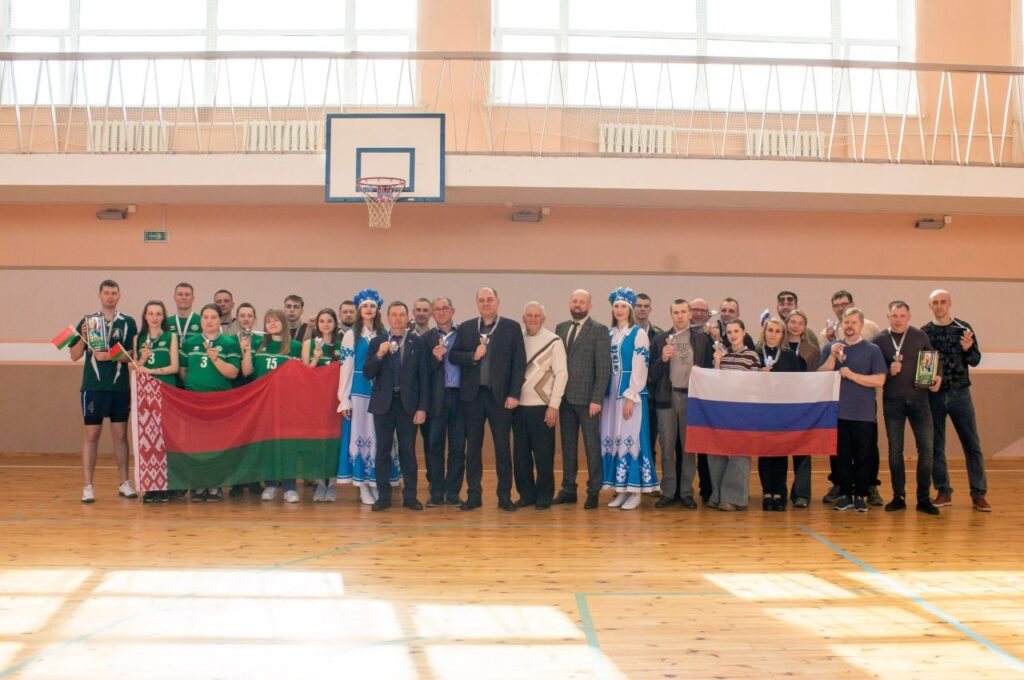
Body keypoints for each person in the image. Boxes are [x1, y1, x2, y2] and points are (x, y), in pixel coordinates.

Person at [449, 287, 527, 512]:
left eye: (489, 299)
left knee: (503, 448)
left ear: (497, 302)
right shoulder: (466, 328)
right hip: (472, 397)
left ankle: (505, 497)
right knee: (473, 448)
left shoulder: (511, 327)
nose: (486, 303)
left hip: (500, 398)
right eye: (481, 300)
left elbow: (519, 363)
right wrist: (472, 356)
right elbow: (454, 355)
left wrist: (514, 394)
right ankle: (474, 495)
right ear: (477, 303)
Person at [69, 279, 138, 504]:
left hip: (119, 388)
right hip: (93, 388)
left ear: (119, 296)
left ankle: (125, 482)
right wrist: (83, 337)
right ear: (100, 295)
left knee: (120, 436)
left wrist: (110, 355)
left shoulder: (128, 322)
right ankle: (88, 486)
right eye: (106, 293)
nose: (110, 296)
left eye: (113, 293)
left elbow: (133, 354)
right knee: (92, 435)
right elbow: (74, 355)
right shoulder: (88, 321)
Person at [922, 289, 990, 511]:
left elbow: (976, 360)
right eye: (935, 302)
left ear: (949, 303)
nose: (939, 306)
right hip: (934, 396)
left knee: (972, 445)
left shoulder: (963, 329)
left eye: (943, 302)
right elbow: (923, 365)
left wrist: (968, 349)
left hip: (960, 395)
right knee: (936, 446)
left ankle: (979, 494)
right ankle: (943, 492)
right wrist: (927, 382)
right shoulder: (924, 332)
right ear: (930, 305)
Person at [874, 301, 941, 515]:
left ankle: (923, 498)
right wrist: (888, 370)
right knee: (895, 451)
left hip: (920, 401)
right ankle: (898, 497)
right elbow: (873, 372)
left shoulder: (919, 336)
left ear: (909, 317)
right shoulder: (879, 340)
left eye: (902, 315)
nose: (898, 319)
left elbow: (933, 361)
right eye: (894, 315)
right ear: (888, 316)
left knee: (927, 449)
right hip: (893, 402)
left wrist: (937, 376)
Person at [818, 308, 886, 512]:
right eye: (846, 322)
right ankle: (846, 495)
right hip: (837, 413)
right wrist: (832, 357)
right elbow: (821, 375)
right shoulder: (830, 348)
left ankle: (860, 496)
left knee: (864, 456)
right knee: (841, 457)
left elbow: (879, 380)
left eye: (853, 322)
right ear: (841, 325)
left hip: (863, 413)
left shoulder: (872, 350)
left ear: (861, 325)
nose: (849, 326)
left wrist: (853, 375)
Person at [363, 302, 429, 512]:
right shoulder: (377, 341)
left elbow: (424, 377)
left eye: (402, 314)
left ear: (407, 317)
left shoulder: (417, 342)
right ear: (388, 317)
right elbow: (368, 372)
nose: (398, 318)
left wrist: (422, 408)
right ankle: (383, 497)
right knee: (382, 450)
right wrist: (379, 355)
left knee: (408, 451)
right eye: (394, 314)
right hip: (383, 403)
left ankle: (410, 496)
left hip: (408, 405)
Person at [649, 299, 714, 510]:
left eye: (683, 312)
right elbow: (651, 375)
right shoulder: (660, 340)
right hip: (666, 399)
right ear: (671, 315)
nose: (680, 316)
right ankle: (668, 492)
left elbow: (708, 371)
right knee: (667, 448)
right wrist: (662, 360)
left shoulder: (701, 340)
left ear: (689, 314)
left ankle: (686, 492)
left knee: (688, 448)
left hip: (691, 400)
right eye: (676, 312)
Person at [337, 289, 400, 504]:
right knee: (361, 434)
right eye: (365, 306)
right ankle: (363, 485)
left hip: (381, 392)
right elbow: (346, 367)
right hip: (359, 391)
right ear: (359, 310)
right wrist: (344, 398)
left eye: (372, 306)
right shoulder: (351, 336)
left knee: (381, 437)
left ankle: (378, 482)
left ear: (378, 310)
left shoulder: (385, 334)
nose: (369, 309)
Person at [601, 288, 659, 510]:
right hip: (611, 395)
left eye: (623, 306)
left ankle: (635, 491)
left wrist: (631, 396)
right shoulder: (610, 334)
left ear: (630, 309)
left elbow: (640, 366)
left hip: (630, 394)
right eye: (616, 306)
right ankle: (621, 489)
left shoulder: (638, 333)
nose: (619, 310)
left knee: (630, 438)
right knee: (615, 437)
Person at [553, 290, 611, 510]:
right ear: (570, 303)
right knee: (568, 448)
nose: (577, 305)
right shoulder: (560, 328)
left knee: (592, 447)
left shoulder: (599, 330)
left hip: (588, 402)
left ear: (590, 306)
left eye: (582, 302)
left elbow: (603, 369)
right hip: (565, 399)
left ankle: (593, 490)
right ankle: (568, 489)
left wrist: (597, 399)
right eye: (574, 301)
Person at [179, 303, 241, 502]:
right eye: (205, 317)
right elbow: (183, 371)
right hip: (194, 401)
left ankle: (215, 485)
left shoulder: (229, 343)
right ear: (201, 320)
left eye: (213, 317)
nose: (209, 321)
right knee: (196, 444)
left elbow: (233, 372)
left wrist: (216, 360)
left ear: (219, 320)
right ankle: (198, 485)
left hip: (219, 401)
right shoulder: (190, 343)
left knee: (216, 444)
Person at [240, 308, 303, 502]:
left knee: (287, 445)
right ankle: (270, 484)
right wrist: (246, 350)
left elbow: (301, 376)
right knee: (267, 444)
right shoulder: (258, 344)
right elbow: (247, 371)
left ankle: (290, 486)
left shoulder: (295, 346)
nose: (272, 324)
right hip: (263, 402)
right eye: (269, 321)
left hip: (286, 402)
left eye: (276, 320)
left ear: (283, 323)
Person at [514, 302, 568, 510]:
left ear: (543, 319)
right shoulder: (517, 339)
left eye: (537, 315)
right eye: (529, 315)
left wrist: (553, 406)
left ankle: (544, 495)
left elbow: (562, 374)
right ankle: (526, 495)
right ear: (523, 318)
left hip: (542, 408)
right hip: (518, 407)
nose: (533, 319)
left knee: (544, 455)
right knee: (521, 456)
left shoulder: (554, 341)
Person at [708, 319, 760, 511]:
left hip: (742, 411)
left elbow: (755, 385)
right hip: (722, 411)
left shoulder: (752, 356)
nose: (732, 335)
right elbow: (715, 382)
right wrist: (717, 362)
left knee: (739, 455)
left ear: (744, 332)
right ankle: (717, 494)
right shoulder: (722, 354)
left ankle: (734, 498)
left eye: (736, 331)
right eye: (729, 332)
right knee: (716, 453)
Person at [133, 299, 179, 503]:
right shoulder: (138, 338)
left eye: (158, 314)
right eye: (150, 313)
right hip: (145, 394)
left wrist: (151, 370)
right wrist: (142, 359)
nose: (154, 317)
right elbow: (135, 368)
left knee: (167, 439)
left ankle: (168, 485)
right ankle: (151, 486)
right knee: (148, 441)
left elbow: (174, 367)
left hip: (166, 390)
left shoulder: (170, 337)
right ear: (145, 316)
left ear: (163, 317)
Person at [754, 318, 802, 511]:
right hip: (762, 410)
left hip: (783, 411)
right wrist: (758, 374)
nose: (773, 334)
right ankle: (767, 492)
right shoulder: (756, 354)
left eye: (777, 331)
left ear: (782, 335)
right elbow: (746, 381)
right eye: (770, 330)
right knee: (765, 452)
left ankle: (779, 492)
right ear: (764, 331)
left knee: (781, 452)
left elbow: (797, 384)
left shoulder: (789, 356)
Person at [423, 297, 465, 506]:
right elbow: (423, 371)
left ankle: (454, 492)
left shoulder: (465, 334)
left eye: (445, 308)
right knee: (434, 446)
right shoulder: (426, 338)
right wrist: (435, 358)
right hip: (436, 399)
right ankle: (437, 492)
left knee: (458, 447)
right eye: (437, 309)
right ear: (432, 314)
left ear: (453, 311)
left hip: (461, 397)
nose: (441, 312)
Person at [302, 308, 343, 502]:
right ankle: (319, 482)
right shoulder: (309, 344)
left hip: (335, 400)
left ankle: (332, 482)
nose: (325, 324)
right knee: (317, 442)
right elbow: (305, 373)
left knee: (333, 442)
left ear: (335, 324)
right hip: (315, 400)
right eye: (322, 321)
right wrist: (316, 358)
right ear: (317, 324)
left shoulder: (342, 344)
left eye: (329, 321)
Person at [785, 309, 820, 507]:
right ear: (787, 323)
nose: (796, 326)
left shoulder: (812, 350)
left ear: (805, 326)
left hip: (803, 404)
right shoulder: (776, 344)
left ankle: (801, 494)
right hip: (779, 404)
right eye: (793, 322)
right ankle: (778, 490)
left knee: (803, 449)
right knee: (779, 448)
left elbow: (817, 377)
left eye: (800, 323)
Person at [634, 292, 662, 465]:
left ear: (650, 309)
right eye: (639, 305)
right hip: (629, 396)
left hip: (651, 398)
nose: (642, 309)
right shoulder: (624, 334)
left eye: (646, 306)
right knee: (630, 441)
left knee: (649, 442)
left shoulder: (659, 335)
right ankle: (629, 478)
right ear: (633, 307)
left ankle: (648, 478)